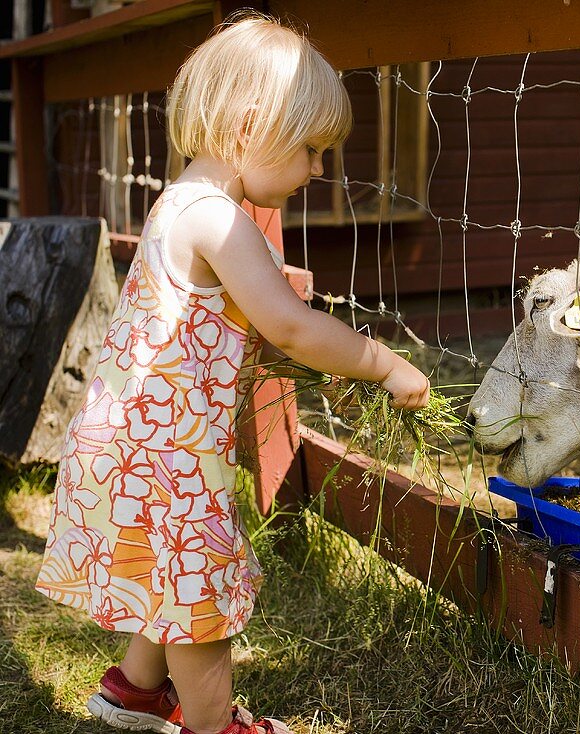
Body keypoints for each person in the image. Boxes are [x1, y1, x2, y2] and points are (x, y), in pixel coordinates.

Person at [35, 12, 430, 734]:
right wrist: (383, 363)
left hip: (137, 445)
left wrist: (320, 364)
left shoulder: (180, 204)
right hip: (165, 456)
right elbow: (289, 322)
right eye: (311, 148)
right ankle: (217, 725)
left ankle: (133, 690)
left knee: (172, 573)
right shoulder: (220, 219)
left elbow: (237, 331)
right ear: (251, 128)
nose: (318, 168)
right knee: (199, 596)